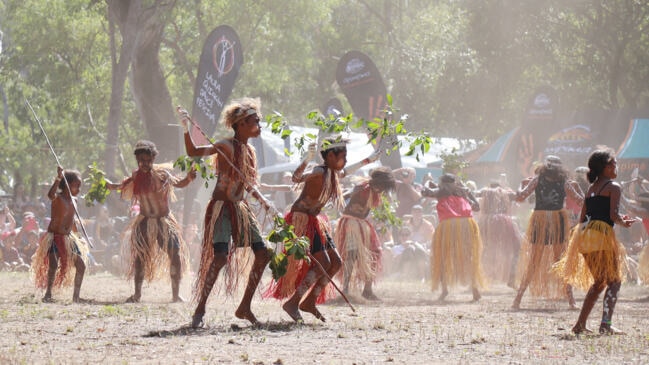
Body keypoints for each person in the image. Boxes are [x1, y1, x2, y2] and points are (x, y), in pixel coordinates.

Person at [179, 98, 274, 328]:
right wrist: (185, 128)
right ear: (241, 124)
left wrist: (263, 200)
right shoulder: (224, 145)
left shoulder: (250, 151)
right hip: (222, 208)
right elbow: (193, 151)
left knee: (264, 253)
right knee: (220, 257)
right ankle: (200, 308)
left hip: (241, 208)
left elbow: (249, 184)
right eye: (255, 122)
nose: (259, 126)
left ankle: (244, 307)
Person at [265, 136, 380, 322]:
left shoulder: (333, 174)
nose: (346, 160)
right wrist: (307, 159)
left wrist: (369, 160)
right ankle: (293, 303)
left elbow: (347, 171)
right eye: (343, 156)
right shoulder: (319, 170)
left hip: (314, 220)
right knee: (323, 262)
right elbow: (296, 179)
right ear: (331, 156)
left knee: (336, 262)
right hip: (301, 219)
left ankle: (309, 301)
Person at [553, 149, 635, 334]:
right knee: (614, 281)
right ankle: (605, 324)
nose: (616, 167)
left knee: (599, 282)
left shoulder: (592, 189)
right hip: (601, 236)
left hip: (584, 236)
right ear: (605, 167)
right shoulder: (614, 186)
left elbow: (584, 216)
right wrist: (623, 222)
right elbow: (612, 215)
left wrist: (617, 217)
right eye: (613, 163)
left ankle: (580, 325)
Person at [105, 140, 195, 303]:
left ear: (153, 159)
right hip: (144, 221)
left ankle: (176, 295)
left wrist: (188, 178)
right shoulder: (135, 175)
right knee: (140, 258)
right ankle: (137, 294)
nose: (145, 164)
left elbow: (179, 183)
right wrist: (111, 186)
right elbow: (123, 185)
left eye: (148, 161)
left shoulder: (162, 175)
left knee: (174, 254)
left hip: (163, 221)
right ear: (137, 160)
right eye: (142, 161)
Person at [511, 155, 583, 310]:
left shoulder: (537, 180)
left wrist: (521, 184)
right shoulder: (564, 183)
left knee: (536, 261)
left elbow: (520, 196)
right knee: (558, 261)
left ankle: (517, 300)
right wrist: (577, 188)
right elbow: (581, 200)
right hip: (555, 220)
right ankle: (572, 302)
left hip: (542, 220)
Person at [421, 173, 485, 301]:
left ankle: (445, 290)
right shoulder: (463, 191)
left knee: (443, 257)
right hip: (467, 223)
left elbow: (425, 191)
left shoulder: (441, 190)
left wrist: (428, 181)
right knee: (468, 256)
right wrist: (466, 192)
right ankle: (474, 289)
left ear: (442, 183)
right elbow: (476, 207)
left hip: (449, 224)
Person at [335, 166, 396, 300]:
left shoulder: (375, 191)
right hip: (351, 223)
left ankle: (367, 290)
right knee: (351, 254)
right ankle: (345, 290)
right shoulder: (361, 187)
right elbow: (348, 194)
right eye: (381, 185)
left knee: (375, 252)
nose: (381, 189)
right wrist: (339, 197)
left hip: (362, 224)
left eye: (384, 187)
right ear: (376, 182)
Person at [31, 167, 90, 302]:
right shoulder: (57, 198)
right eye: (76, 185)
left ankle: (76, 297)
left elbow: (71, 221)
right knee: (53, 264)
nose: (79, 188)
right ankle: (48, 294)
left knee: (81, 265)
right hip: (54, 237)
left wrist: (78, 235)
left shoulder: (74, 200)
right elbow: (50, 195)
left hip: (69, 238)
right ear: (67, 185)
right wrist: (58, 178)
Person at [475, 181, 521, 287]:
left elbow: (473, 194)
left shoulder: (484, 192)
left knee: (483, 248)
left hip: (487, 222)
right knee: (516, 248)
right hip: (503, 221)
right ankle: (511, 278)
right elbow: (520, 196)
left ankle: (479, 278)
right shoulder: (506, 193)